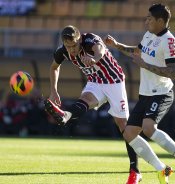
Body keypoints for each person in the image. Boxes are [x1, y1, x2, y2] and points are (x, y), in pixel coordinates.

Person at [105, 3, 175, 184]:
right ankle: (161, 169)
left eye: (149, 18)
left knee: (148, 128)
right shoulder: (149, 35)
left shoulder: (169, 41)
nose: (146, 21)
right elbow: (138, 51)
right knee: (129, 133)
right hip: (145, 93)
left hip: (161, 92)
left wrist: (144, 65)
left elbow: (172, 72)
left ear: (160, 21)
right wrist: (117, 45)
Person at [43, 25, 141, 184]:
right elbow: (54, 67)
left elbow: (100, 50)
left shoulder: (90, 40)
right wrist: (53, 90)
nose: (72, 50)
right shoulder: (63, 51)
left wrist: (94, 58)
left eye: (74, 45)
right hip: (95, 82)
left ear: (79, 39)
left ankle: (135, 171)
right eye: (68, 47)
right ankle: (65, 115)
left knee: (124, 126)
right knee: (85, 100)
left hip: (114, 81)